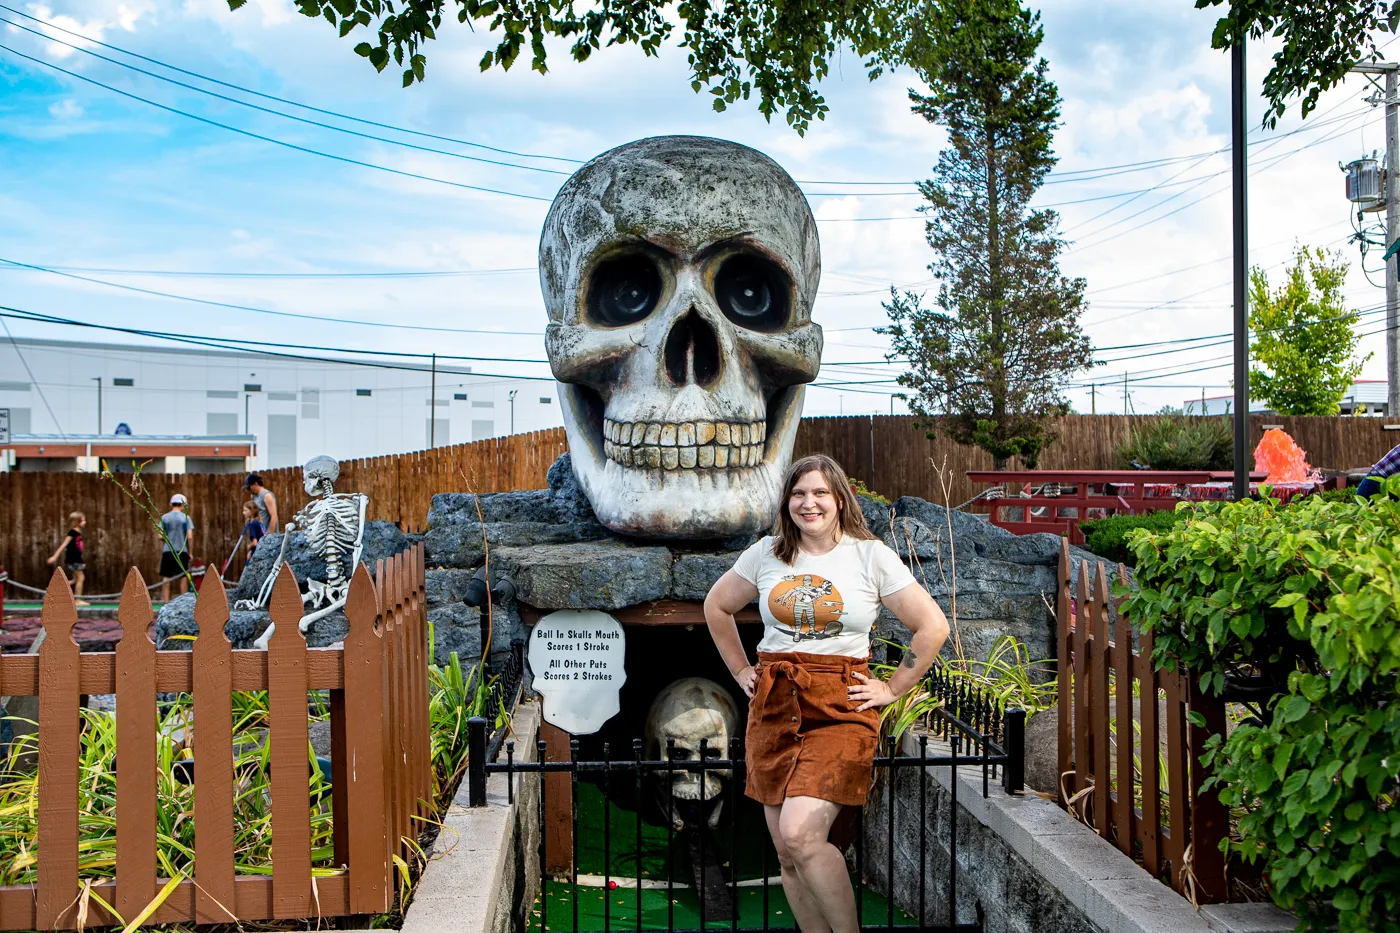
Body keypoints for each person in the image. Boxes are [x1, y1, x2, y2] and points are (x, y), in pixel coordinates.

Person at [703, 453, 951, 933]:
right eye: (798, 493)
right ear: (787, 502)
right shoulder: (766, 554)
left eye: (819, 493)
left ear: (839, 498)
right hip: (774, 702)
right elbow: (717, 606)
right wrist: (739, 669)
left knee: (802, 833)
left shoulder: (869, 555)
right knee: (787, 853)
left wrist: (893, 687)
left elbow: (932, 626)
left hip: (841, 704)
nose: (808, 502)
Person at [45, 511, 89, 606]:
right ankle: (77, 600)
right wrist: (54, 557)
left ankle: (54, 589)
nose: (85, 522)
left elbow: (78, 549)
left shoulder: (78, 532)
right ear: (77, 522)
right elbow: (64, 545)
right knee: (81, 578)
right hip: (73, 559)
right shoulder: (72, 532)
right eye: (83, 520)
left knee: (75, 579)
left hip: (76, 559)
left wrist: (81, 561)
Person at [159, 494, 195, 603]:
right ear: (183, 505)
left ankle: (165, 603)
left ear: (171, 504)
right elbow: (190, 536)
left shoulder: (164, 517)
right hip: (182, 550)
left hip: (168, 551)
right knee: (183, 576)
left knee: (166, 577)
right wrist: (191, 552)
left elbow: (160, 535)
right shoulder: (185, 518)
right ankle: (182, 603)